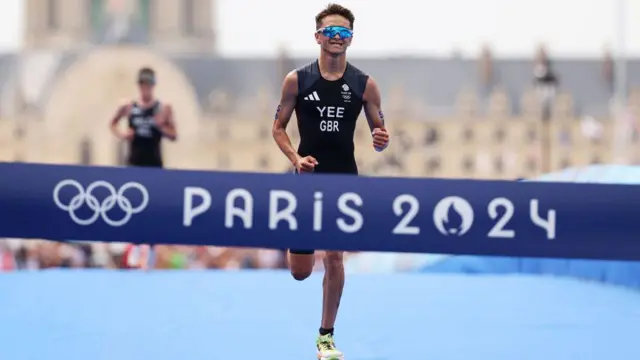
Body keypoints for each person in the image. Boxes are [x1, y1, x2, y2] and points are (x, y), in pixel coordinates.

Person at [271, 4, 390, 360]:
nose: (337, 39)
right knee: (300, 272)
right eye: (331, 32)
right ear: (318, 37)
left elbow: (379, 130)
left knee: (335, 257)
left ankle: (326, 335)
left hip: (343, 179)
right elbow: (277, 128)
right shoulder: (298, 80)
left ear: (351, 39)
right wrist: (295, 159)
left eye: (344, 33)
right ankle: (295, 246)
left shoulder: (364, 85)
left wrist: (382, 138)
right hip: (307, 178)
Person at [110, 67, 177, 269]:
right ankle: (136, 246)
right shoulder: (128, 107)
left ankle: (151, 249)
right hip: (134, 162)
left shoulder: (164, 108)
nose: (145, 89)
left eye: (149, 85)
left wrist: (161, 127)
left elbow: (174, 135)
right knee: (133, 204)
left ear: (153, 86)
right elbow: (112, 124)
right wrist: (123, 134)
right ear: (139, 86)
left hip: (154, 164)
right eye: (142, 85)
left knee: (154, 208)